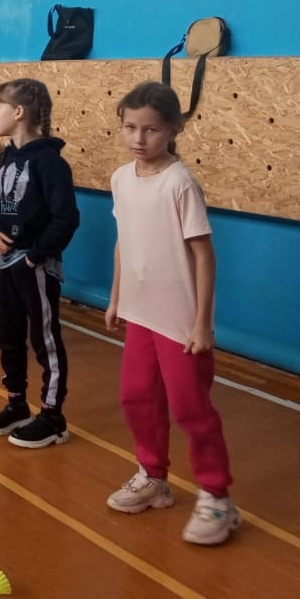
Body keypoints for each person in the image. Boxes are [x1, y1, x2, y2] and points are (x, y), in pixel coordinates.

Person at [105, 81, 238, 545]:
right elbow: (124, 242)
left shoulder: (180, 183)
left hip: (180, 322)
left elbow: (204, 256)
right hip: (140, 315)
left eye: (151, 130)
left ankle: (217, 497)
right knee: (135, 397)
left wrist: (201, 323)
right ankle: (153, 477)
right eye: (130, 128)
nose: (139, 138)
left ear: (173, 130)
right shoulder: (121, 179)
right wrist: (116, 297)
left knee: (191, 409)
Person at [0, 79, 80, 449]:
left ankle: (52, 416)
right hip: (6, 264)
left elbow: (65, 218)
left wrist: (35, 256)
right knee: (8, 336)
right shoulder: (3, 158)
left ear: (18, 112)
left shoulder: (49, 163)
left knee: (44, 339)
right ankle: (16, 404)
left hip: (34, 267)